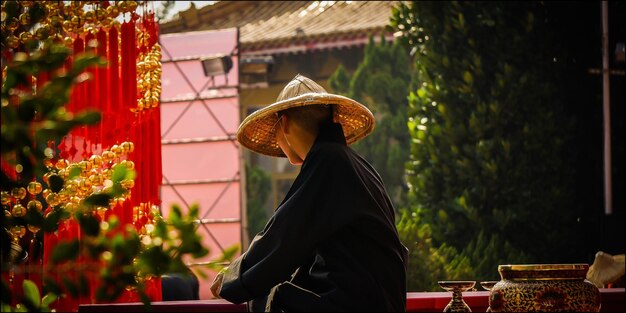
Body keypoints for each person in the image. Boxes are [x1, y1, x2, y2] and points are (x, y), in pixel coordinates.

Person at [211, 74, 409, 312]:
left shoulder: (328, 161)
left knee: (271, 297)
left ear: (283, 124)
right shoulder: (354, 163)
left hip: (354, 304)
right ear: (332, 119)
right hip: (379, 302)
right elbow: (306, 248)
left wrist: (233, 277)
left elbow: (285, 235)